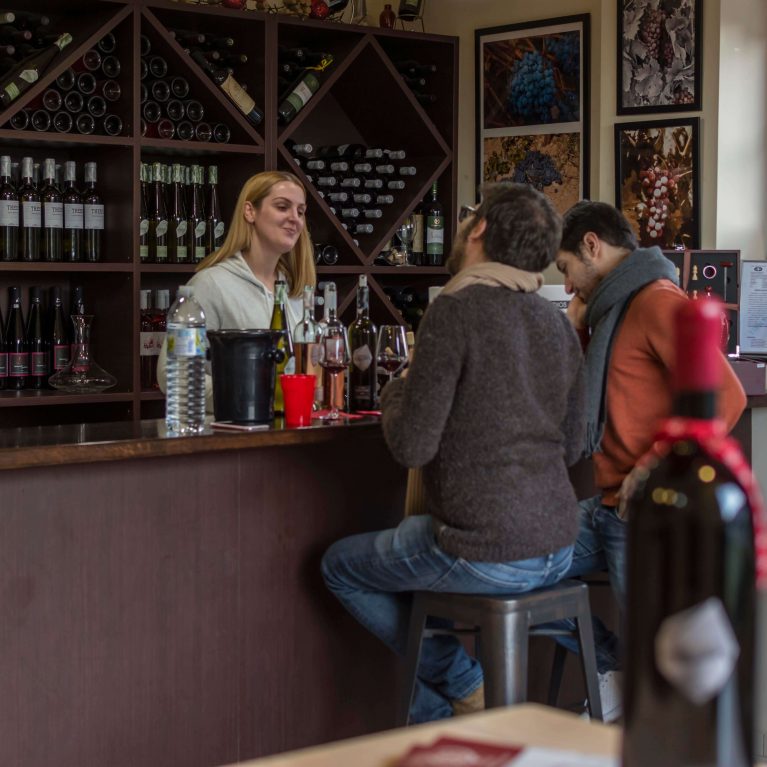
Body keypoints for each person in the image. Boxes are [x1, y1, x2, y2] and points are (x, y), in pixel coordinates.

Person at [321, 183, 586, 724]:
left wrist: (396, 391)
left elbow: (411, 445)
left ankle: (458, 695)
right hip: (558, 545)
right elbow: (575, 441)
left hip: (488, 550)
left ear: (480, 229)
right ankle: (460, 704)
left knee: (339, 567)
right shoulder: (556, 324)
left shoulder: (455, 310)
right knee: (409, 554)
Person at [553, 200, 746, 720]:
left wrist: (653, 468)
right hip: (605, 506)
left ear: (592, 246)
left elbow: (727, 398)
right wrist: (576, 327)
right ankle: (617, 669)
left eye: (566, 269)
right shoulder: (613, 308)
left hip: (639, 512)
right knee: (514, 565)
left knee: (665, 662)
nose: (567, 286)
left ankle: (634, 685)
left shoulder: (656, 301)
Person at [157, 170, 316, 409]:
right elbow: (172, 374)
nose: (295, 218)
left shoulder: (296, 292)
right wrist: (248, 396)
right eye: (283, 207)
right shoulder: (209, 285)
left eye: (300, 211)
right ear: (250, 212)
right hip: (232, 430)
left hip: (291, 429)